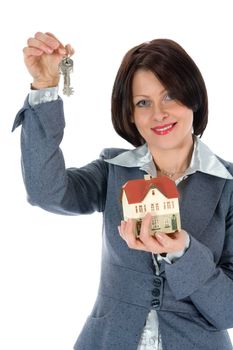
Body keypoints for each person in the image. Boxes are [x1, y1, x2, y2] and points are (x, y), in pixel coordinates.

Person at [13, 32, 233, 350]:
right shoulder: (113, 170)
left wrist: (183, 252)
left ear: (194, 98)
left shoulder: (227, 185)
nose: (159, 113)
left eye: (171, 96)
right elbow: (46, 191)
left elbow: (227, 308)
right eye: (143, 102)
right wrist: (46, 88)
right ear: (130, 113)